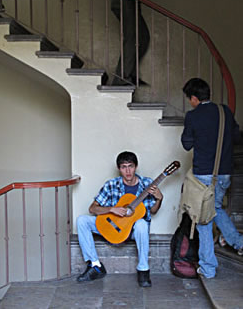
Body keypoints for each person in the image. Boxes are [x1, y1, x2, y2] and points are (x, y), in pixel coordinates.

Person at [181, 77, 243, 279]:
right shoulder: (224, 111)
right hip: (224, 173)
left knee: (203, 220)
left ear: (194, 98)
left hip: (203, 177)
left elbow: (186, 144)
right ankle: (239, 243)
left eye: (190, 98)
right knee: (216, 208)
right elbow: (236, 138)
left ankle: (208, 268)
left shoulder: (193, 116)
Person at [76, 151, 163, 287]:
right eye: (123, 167)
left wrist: (159, 198)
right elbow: (92, 208)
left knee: (142, 224)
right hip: (114, 227)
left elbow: (153, 211)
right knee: (82, 220)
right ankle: (95, 266)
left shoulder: (147, 184)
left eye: (131, 166)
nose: (128, 171)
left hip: (134, 231)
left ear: (136, 166)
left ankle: (143, 270)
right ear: (119, 169)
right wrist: (111, 209)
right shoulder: (111, 185)